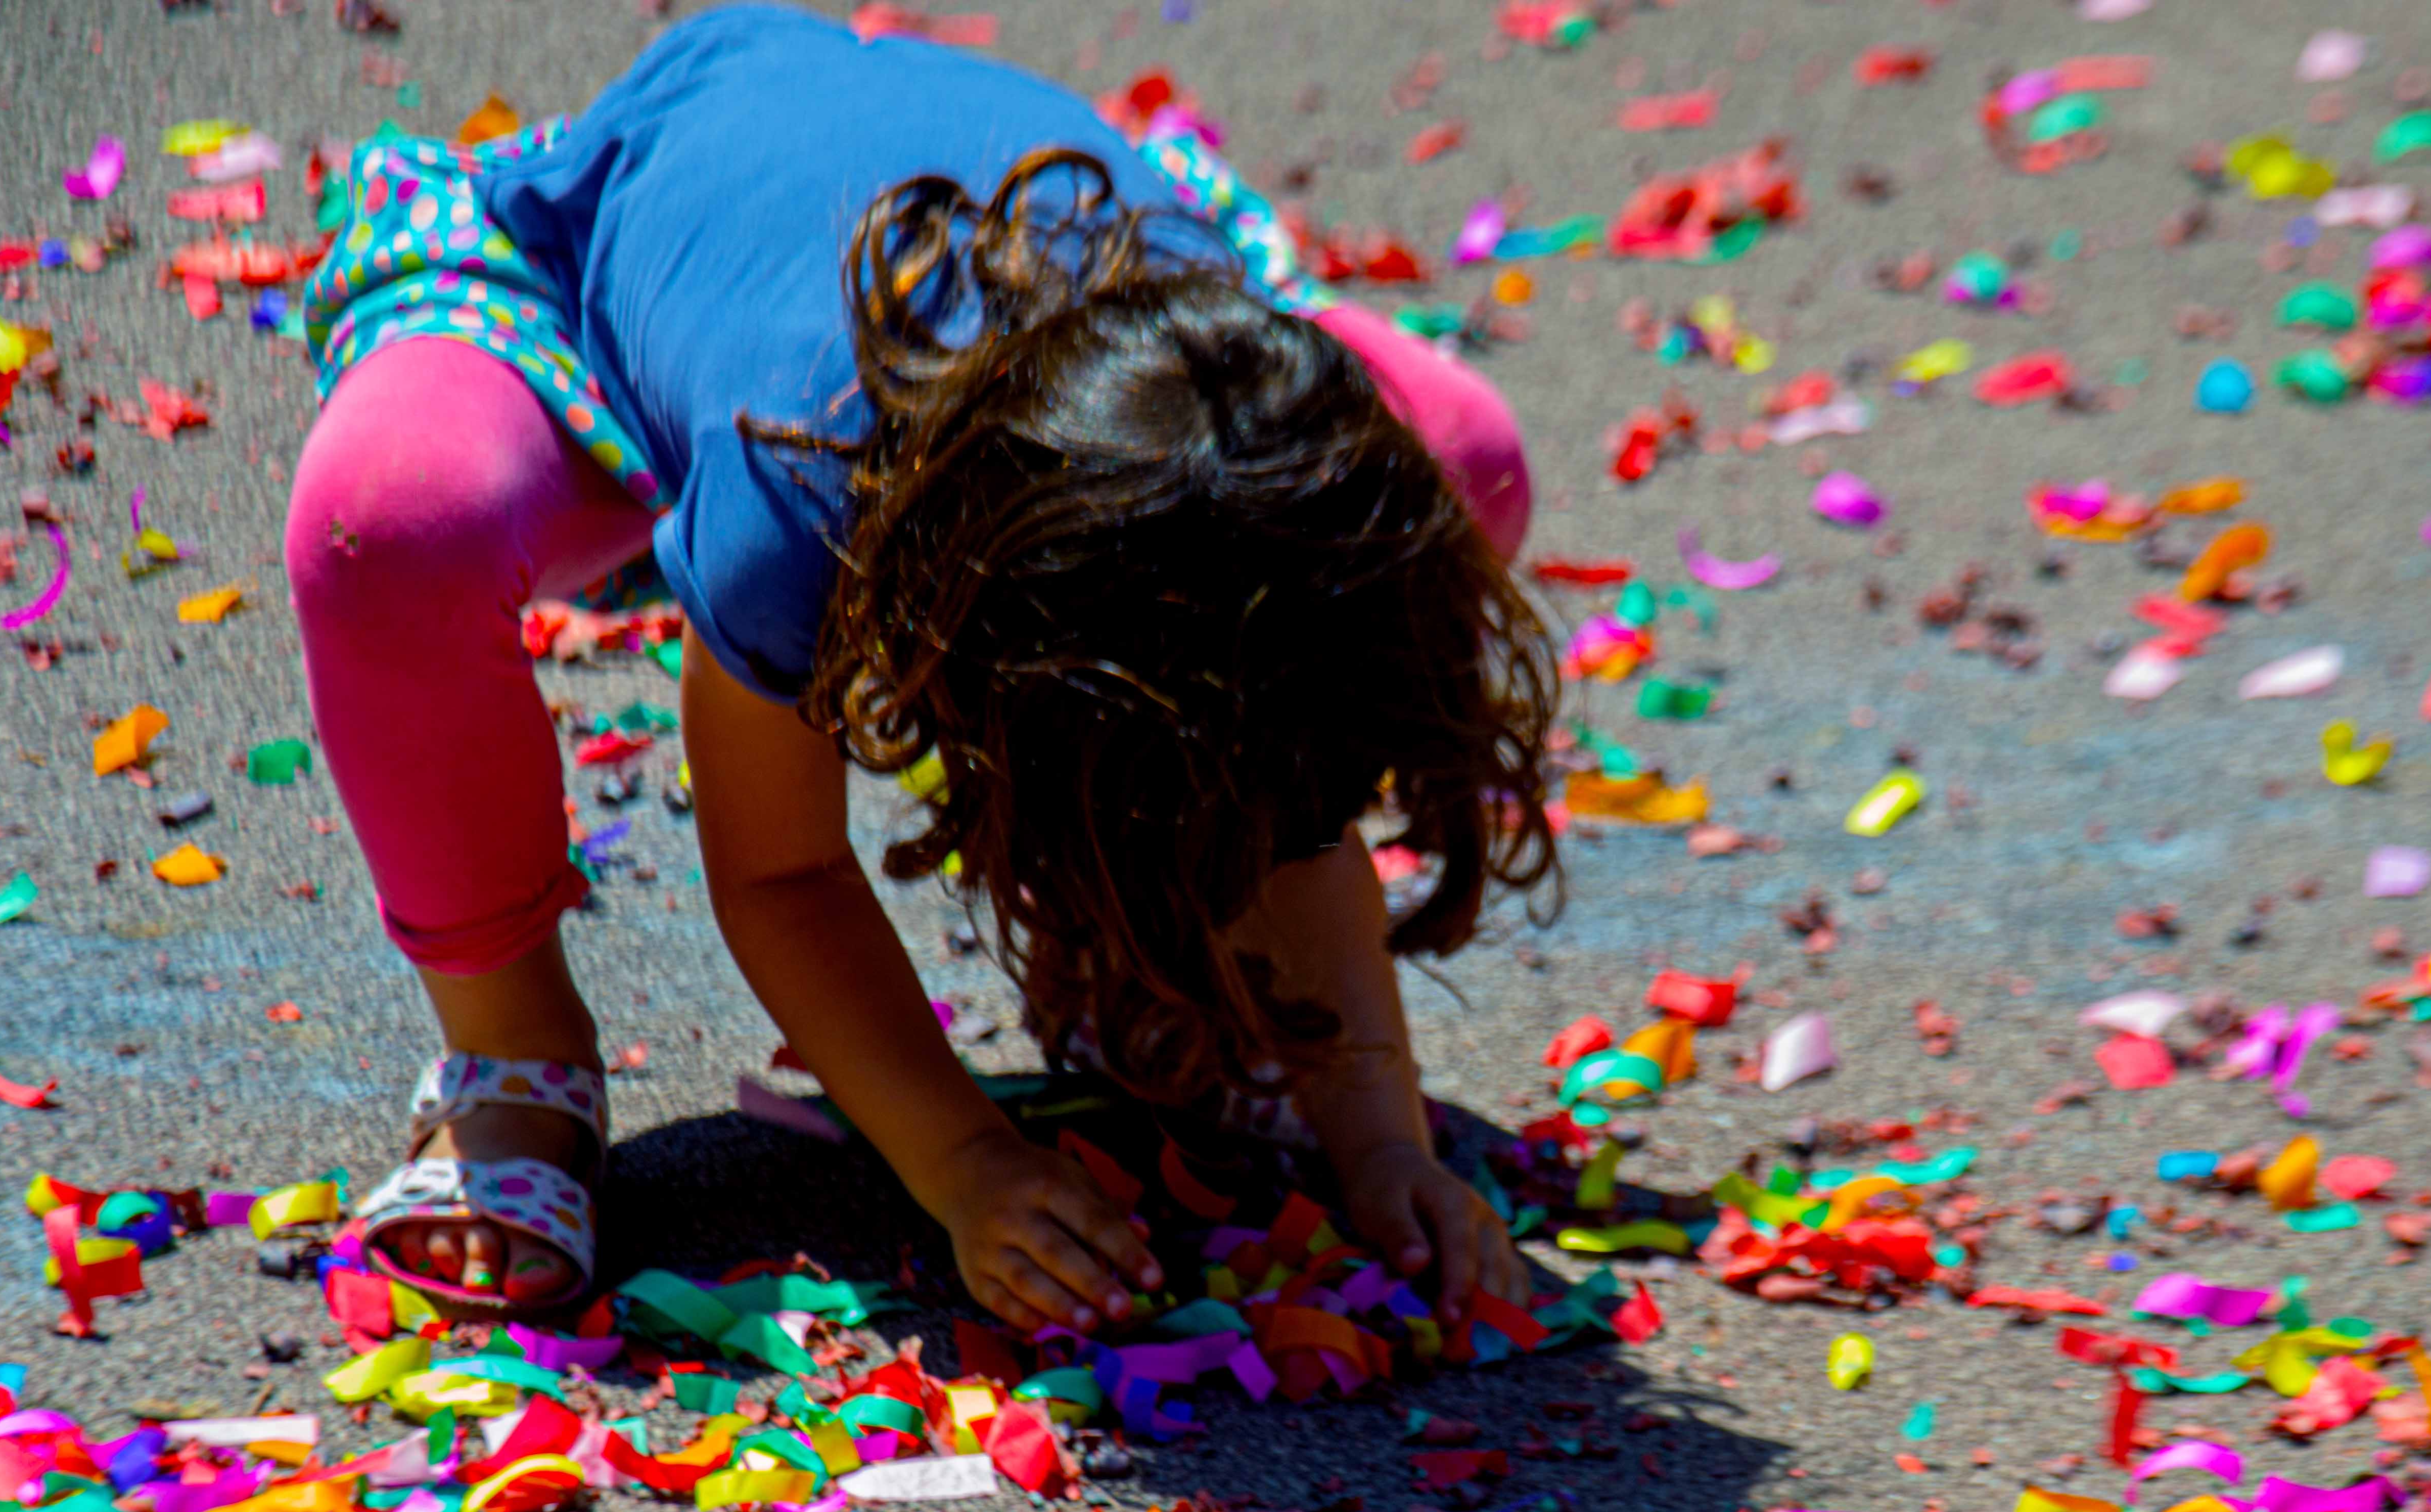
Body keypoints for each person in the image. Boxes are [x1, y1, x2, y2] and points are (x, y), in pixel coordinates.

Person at [286, 3, 1558, 1340]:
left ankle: (1141, 933)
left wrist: (1383, 1142)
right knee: (393, 523)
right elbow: (782, 876)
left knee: (1460, 467)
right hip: (588, 258)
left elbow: (1300, 802)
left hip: (1104, 293)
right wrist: (966, 1164)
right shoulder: (802, 505)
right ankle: (515, 1052)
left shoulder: (1213, 402)